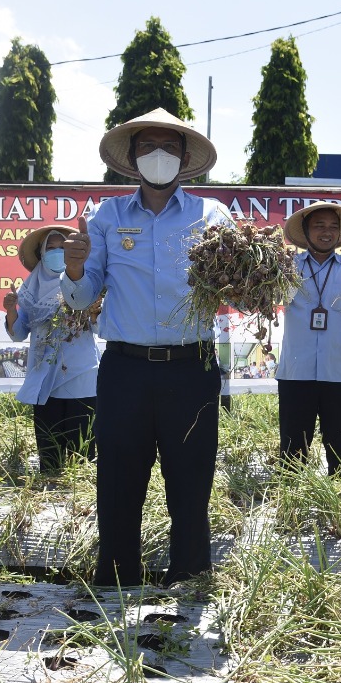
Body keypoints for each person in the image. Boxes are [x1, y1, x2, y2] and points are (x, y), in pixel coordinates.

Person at [60, 107, 230, 587]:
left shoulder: (212, 215)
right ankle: (117, 578)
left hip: (191, 368)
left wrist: (246, 274)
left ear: (185, 157)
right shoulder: (107, 216)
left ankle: (191, 577)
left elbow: (237, 291)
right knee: (118, 477)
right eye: (148, 147)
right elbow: (83, 295)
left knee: (191, 478)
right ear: (132, 159)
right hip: (125, 369)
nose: (159, 155)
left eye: (170, 147)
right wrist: (73, 270)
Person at [275, 202, 341, 476]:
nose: (326, 232)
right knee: (292, 450)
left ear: (340, 233)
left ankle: (340, 510)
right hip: (296, 372)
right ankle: (291, 508)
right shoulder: (287, 267)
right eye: (319, 226)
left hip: (338, 372)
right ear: (305, 231)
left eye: (333, 227)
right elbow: (269, 297)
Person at [3, 225, 99, 474]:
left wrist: (93, 310)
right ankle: (50, 486)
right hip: (44, 373)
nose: (57, 253)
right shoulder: (29, 290)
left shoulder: (86, 285)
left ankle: (79, 503)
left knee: (83, 456)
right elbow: (19, 333)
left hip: (81, 372)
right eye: (51, 249)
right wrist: (12, 311)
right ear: (42, 254)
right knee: (50, 453)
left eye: (62, 248)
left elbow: (100, 327)